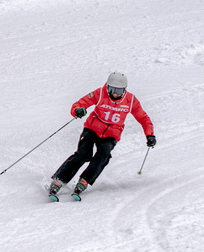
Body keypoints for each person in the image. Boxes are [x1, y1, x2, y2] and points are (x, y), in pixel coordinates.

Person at [49, 71, 155, 200]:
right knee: (83, 154)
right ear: (107, 87)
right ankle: (59, 179)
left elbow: (143, 118)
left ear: (124, 90)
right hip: (92, 128)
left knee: (103, 154)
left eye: (119, 91)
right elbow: (80, 103)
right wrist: (78, 110)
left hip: (111, 134)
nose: (115, 93)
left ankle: (84, 180)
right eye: (112, 89)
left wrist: (150, 135)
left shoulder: (131, 100)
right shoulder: (100, 93)